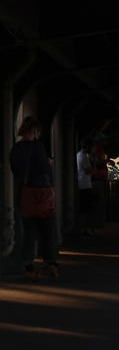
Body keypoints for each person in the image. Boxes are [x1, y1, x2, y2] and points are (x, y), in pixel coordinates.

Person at [9, 116, 60, 279]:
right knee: (48, 228)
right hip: (41, 193)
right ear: (35, 130)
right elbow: (45, 169)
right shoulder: (37, 147)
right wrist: (49, 163)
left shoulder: (15, 149)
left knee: (28, 231)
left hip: (25, 194)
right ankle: (50, 262)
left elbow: (15, 171)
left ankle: (28, 266)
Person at [90, 133, 109, 231]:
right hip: (98, 178)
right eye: (103, 140)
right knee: (99, 202)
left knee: (98, 202)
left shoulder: (98, 150)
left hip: (99, 178)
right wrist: (107, 162)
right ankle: (97, 223)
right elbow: (97, 162)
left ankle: (98, 222)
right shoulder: (97, 150)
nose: (105, 142)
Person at [77, 138, 94, 236]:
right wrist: (94, 163)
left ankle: (83, 228)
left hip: (81, 184)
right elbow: (89, 171)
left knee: (84, 207)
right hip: (85, 185)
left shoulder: (78, 155)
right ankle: (84, 228)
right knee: (86, 208)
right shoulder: (84, 157)